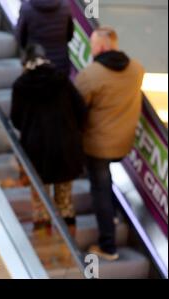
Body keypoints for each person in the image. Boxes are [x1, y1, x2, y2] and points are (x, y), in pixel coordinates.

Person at [75, 26, 145, 261]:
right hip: (123, 142)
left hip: (98, 145)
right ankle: (114, 213)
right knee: (105, 179)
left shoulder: (91, 75)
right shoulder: (136, 68)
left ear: (102, 47)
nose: (92, 48)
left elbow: (76, 108)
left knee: (100, 188)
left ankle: (108, 246)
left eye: (93, 44)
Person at [11, 44, 87, 234]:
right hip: (65, 149)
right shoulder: (62, 80)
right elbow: (81, 110)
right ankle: (68, 251)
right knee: (65, 202)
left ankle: (45, 251)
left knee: (40, 204)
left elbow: (16, 119)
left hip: (36, 153)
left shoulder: (21, 85)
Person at [15, 0, 74, 75]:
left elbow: (20, 38)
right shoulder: (65, 6)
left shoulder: (26, 8)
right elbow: (70, 36)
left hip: (35, 65)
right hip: (60, 66)